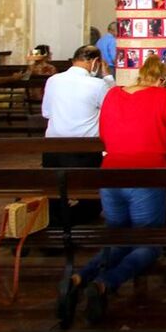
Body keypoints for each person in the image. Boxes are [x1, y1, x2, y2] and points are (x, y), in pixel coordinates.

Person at [58, 57, 166, 326]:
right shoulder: (162, 96)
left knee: (118, 237)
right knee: (148, 243)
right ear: (163, 79)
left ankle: (77, 278)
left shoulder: (113, 95)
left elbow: (105, 133)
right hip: (146, 175)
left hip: (110, 173)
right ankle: (103, 284)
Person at [42, 45, 115, 224]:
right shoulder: (98, 85)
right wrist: (107, 77)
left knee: (56, 190)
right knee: (90, 196)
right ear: (96, 62)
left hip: (53, 149)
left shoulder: (53, 80)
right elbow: (115, 109)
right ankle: (77, 223)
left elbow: (47, 113)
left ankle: (56, 220)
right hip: (84, 150)